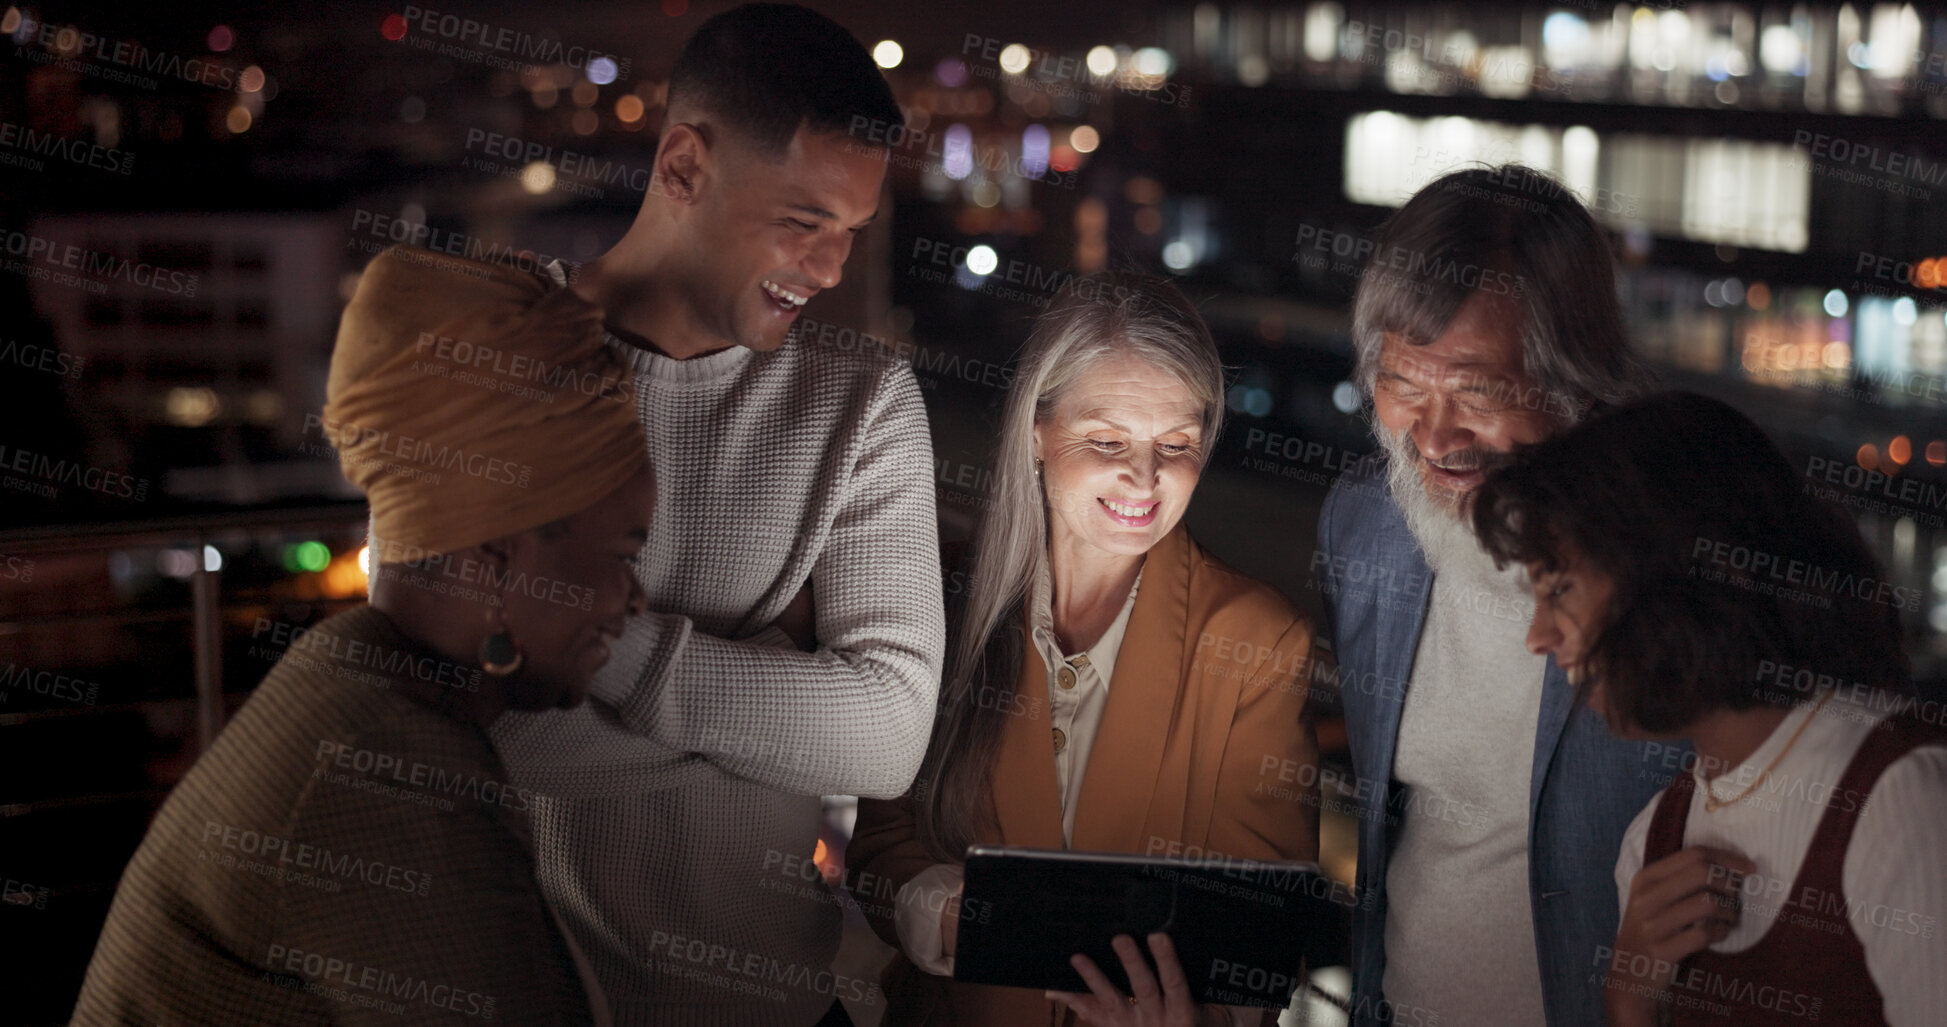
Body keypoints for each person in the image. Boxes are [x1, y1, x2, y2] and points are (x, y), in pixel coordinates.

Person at [484, 6, 945, 1025]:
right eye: (802, 221)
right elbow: (475, 731)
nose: (829, 270)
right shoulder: (504, 365)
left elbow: (884, 736)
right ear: (684, 163)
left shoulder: (861, 398)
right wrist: (773, 686)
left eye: (851, 234)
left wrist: (591, 648)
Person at [71, 245, 655, 1025]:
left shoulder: (358, 689)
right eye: (622, 555)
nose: (635, 600)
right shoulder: (393, 775)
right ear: (495, 562)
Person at [850, 272, 1320, 1027]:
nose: (1145, 477)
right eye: (1107, 440)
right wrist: (935, 909)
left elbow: (1258, 931)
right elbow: (880, 846)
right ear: (1035, 430)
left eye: (1176, 445)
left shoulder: (1256, 640)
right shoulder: (937, 597)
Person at [1313, 164, 1674, 1027]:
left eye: (1478, 392)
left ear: (1575, 384)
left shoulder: (1670, 558)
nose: (1435, 436)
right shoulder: (1365, 526)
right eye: (1403, 383)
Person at [1469, 390, 1946, 1027]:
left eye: (1559, 589)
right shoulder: (1653, 837)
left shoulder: (1898, 797)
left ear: (1678, 573)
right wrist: (1630, 999)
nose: (1538, 636)